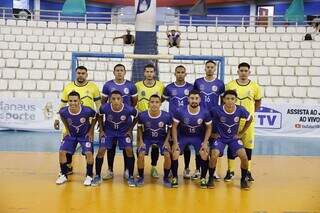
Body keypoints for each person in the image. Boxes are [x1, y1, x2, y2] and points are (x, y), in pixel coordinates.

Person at [54, 66, 101, 176]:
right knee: (66, 144)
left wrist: (100, 120)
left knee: (87, 149)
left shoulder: (93, 87)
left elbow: (99, 105)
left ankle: (89, 173)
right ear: (76, 74)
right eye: (79, 73)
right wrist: (56, 118)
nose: (81, 75)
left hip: (87, 124)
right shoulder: (69, 87)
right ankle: (68, 167)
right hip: (71, 122)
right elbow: (62, 104)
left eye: (83, 73)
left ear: (86, 74)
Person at [202, 90, 252, 190]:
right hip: (220, 138)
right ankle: (211, 178)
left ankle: (243, 180)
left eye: (232, 99)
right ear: (224, 99)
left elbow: (250, 119)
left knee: (244, 157)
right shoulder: (216, 110)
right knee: (214, 155)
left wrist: (241, 133)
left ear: (236, 100)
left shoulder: (240, 110)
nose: (230, 101)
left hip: (233, 138)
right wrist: (211, 134)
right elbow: (205, 120)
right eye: (228, 98)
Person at [91, 91, 138, 187]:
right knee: (101, 150)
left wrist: (130, 129)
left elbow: (137, 116)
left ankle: (131, 177)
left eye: (118, 99)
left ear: (122, 99)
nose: (116, 101)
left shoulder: (128, 109)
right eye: (113, 99)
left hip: (123, 132)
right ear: (109, 100)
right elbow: (99, 115)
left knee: (129, 150)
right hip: (109, 132)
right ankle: (97, 176)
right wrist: (101, 129)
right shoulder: (105, 107)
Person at [224, 62, 262, 182]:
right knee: (231, 145)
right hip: (232, 121)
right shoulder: (230, 85)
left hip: (247, 122)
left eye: (246, 71)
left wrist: (250, 114)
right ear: (238, 71)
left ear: (249, 72)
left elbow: (258, 103)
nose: (243, 73)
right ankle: (230, 171)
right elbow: (224, 101)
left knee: (248, 147)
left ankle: (248, 172)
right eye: (241, 70)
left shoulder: (255, 87)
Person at [101, 64, 138, 180]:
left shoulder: (131, 85)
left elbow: (134, 102)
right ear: (114, 72)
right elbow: (103, 103)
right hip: (110, 122)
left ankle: (127, 170)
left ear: (125, 72)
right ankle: (110, 170)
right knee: (110, 147)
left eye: (121, 70)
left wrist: (124, 111)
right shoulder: (108, 85)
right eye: (117, 70)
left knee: (126, 147)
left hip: (125, 123)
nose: (119, 72)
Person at [171, 90, 212, 188]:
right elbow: (174, 127)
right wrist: (175, 142)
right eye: (192, 98)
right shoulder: (180, 111)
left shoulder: (205, 112)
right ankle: (175, 177)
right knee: (175, 153)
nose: (194, 100)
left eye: (196, 98)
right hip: (183, 136)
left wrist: (205, 142)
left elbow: (209, 127)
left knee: (204, 153)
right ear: (188, 99)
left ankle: (202, 178)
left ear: (200, 100)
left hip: (197, 137)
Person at [55, 91, 97, 186]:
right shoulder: (63, 111)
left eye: (75, 101)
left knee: (89, 153)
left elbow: (95, 116)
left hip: (84, 135)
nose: (73, 103)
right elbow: (62, 117)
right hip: (71, 135)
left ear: (79, 101)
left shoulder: (87, 110)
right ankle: (64, 175)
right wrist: (67, 129)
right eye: (70, 101)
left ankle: (89, 176)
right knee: (62, 152)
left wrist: (91, 131)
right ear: (68, 101)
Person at [193, 60, 225, 180]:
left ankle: (213, 170)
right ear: (205, 68)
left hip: (213, 118)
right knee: (199, 143)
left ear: (215, 69)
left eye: (212, 67)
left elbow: (223, 101)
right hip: (199, 117)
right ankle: (197, 170)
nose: (210, 69)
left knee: (213, 145)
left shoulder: (220, 84)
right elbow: (193, 97)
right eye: (208, 67)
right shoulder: (198, 82)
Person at [163, 65, 194, 179]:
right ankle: (171, 169)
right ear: (175, 74)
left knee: (186, 146)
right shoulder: (169, 88)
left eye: (182, 72)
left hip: (186, 121)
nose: (180, 74)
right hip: (172, 121)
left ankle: (186, 168)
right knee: (172, 145)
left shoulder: (191, 88)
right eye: (178, 72)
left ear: (186, 74)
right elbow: (164, 99)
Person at [135, 64, 165, 178]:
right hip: (141, 119)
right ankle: (140, 168)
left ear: (154, 73)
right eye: (147, 71)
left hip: (155, 119)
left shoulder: (160, 85)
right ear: (144, 73)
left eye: (151, 71)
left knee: (155, 145)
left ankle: (153, 167)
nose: (149, 74)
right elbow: (134, 100)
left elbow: (160, 99)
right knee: (140, 144)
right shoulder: (137, 85)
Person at [136, 95, 172, 187]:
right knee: (140, 154)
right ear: (148, 104)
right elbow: (139, 128)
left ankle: (166, 178)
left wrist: (167, 141)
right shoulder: (142, 115)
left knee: (167, 155)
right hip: (147, 139)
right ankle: (141, 177)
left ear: (160, 104)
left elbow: (170, 129)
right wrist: (141, 141)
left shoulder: (166, 116)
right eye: (152, 102)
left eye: (157, 102)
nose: (154, 104)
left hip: (161, 139)